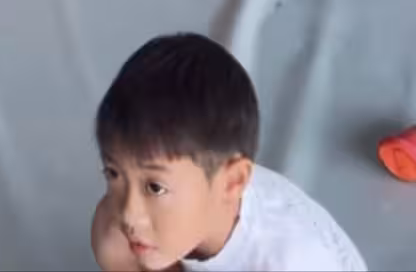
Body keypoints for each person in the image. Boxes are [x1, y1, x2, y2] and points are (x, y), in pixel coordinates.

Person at [91, 34, 366, 272]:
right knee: (113, 238)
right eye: (113, 173)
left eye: (155, 187)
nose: (129, 215)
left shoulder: (290, 260)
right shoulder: (127, 226)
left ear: (233, 181)